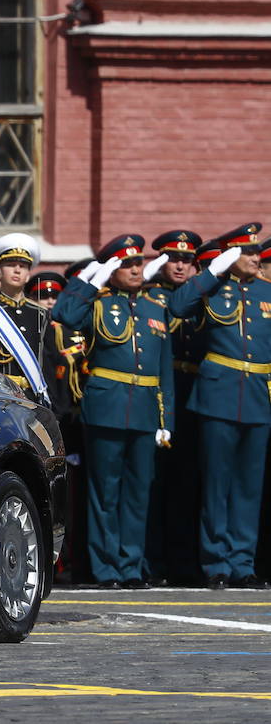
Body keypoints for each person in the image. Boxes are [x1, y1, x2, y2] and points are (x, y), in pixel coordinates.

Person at [54, 234, 173, 589]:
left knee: (138, 492)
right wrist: (91, 280)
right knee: (105, 493)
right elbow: (64, 314)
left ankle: (131, 566)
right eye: (127, 265)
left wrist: (166, 421)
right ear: (113, 270)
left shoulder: (155, 307)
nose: (136, 269)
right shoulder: (98, 304)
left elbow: (163, 369)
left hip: (146, 410)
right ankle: (106, 568)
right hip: (106, 407)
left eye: (138, 264)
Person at [167, 224, 271, 589]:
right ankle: (217, 564)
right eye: (249, 253)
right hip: (218, 396)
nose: (257, 259)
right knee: (217, 485)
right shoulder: (212, 288)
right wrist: (212, 271)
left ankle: (243, 563)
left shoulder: (266, 292)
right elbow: (177, 306)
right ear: (232, 256)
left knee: (249, 487)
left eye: (258, 253)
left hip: (259, 396)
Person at [142, 230, 204, 585]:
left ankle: (183, 562)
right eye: (173, 259)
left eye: (186, 260)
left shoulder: (202, 298)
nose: (180, 265)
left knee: (188, 481)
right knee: (155, 482)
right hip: (160, 394)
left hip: (194, 392)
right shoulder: (150, 297)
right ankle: (153, 561)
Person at [0, 234, 50, 403]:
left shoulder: (40, 314)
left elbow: (48, 361)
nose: (17, 270)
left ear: (28, 274)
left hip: (35, 397)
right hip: (0, 396)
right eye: (10, 265)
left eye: (22, 266)